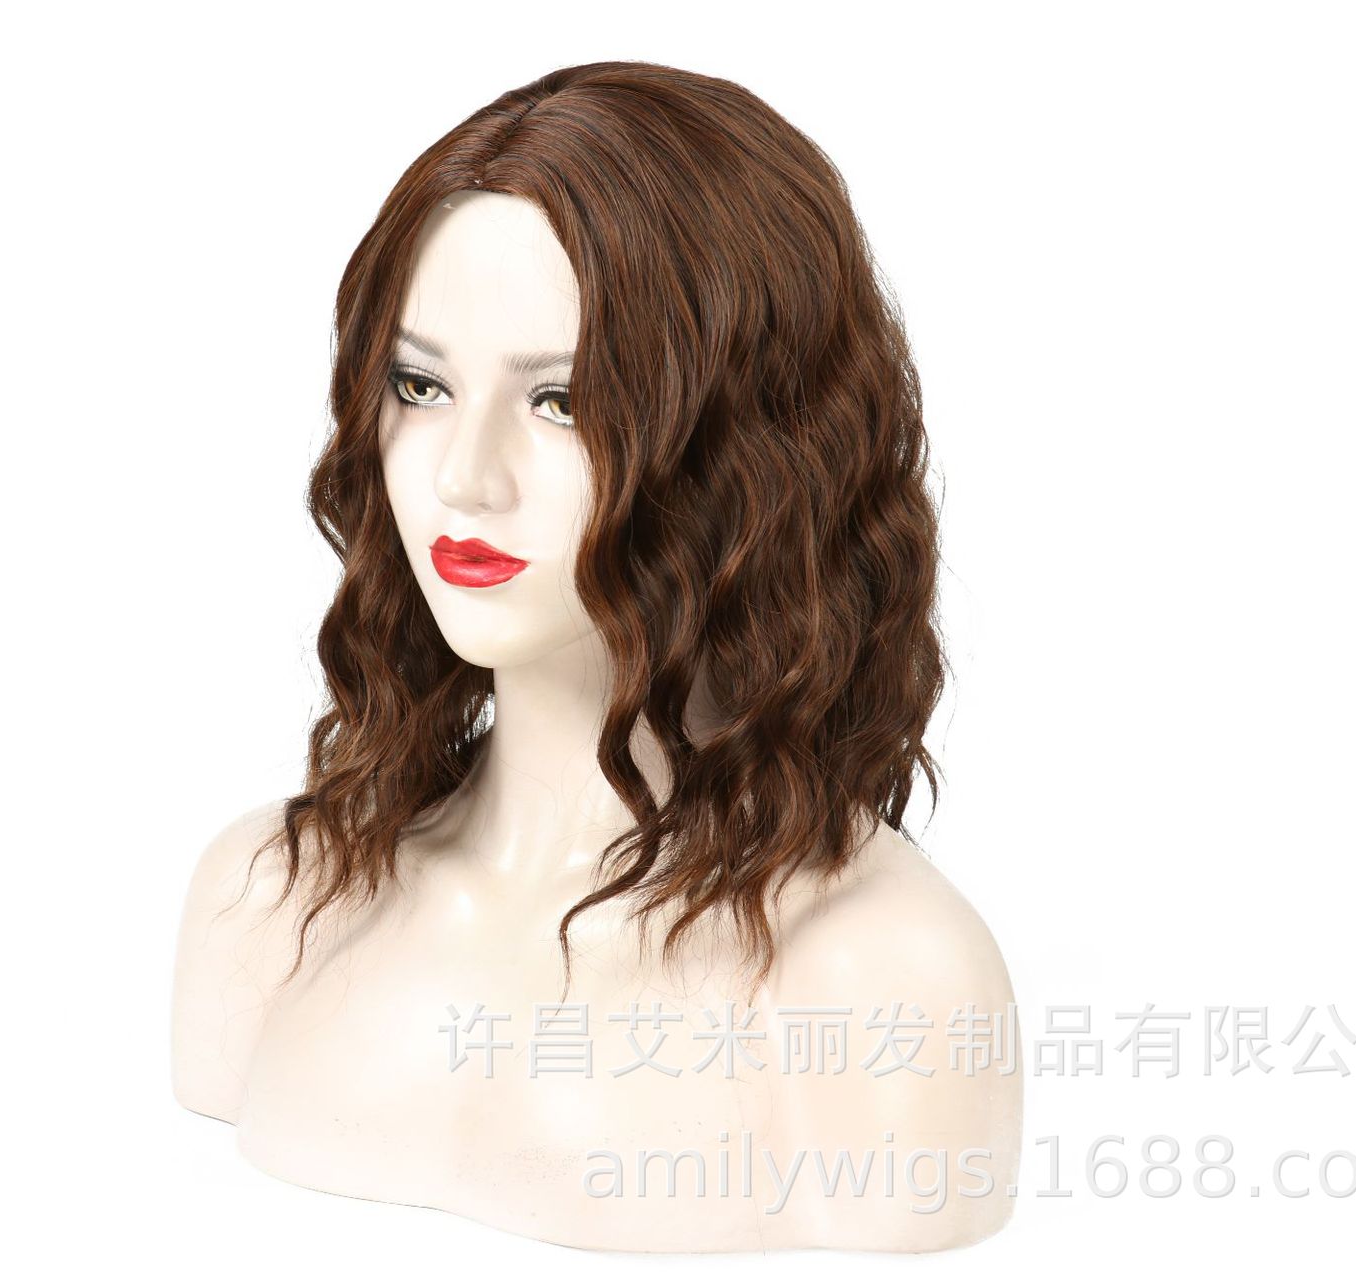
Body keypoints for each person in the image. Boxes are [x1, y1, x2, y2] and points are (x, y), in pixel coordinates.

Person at [173, 60, 1021, 1253]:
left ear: (752, 444)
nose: (465, 476)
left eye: (562, 402)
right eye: (421, 384)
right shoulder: (270, 897)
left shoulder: (883, 982)